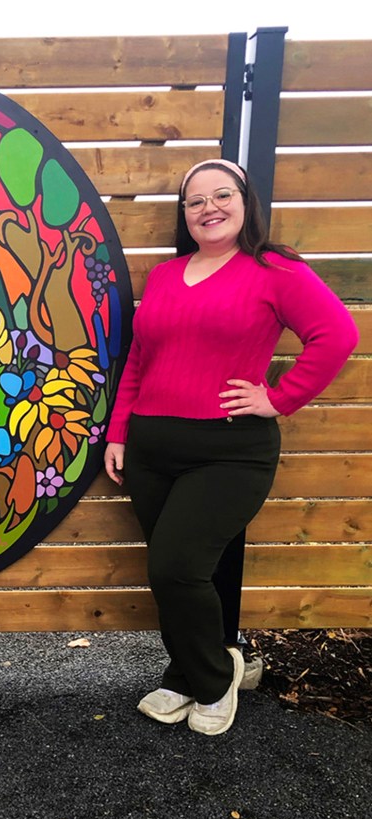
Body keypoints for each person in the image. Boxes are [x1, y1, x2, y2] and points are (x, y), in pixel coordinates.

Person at [103, 159, 358, 736]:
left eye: (222, 195)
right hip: (150, 449)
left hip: (229, 452)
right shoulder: (167, 276)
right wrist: (119, 432)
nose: (208, 208)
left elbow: (337, 335)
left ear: (246, 204)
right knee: (175, 573)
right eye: (195, 201)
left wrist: (279, 397)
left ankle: (215, 677)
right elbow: (141, 359)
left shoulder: (275, 270)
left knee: (176, 567)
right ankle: (186, 671)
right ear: (184, 215)